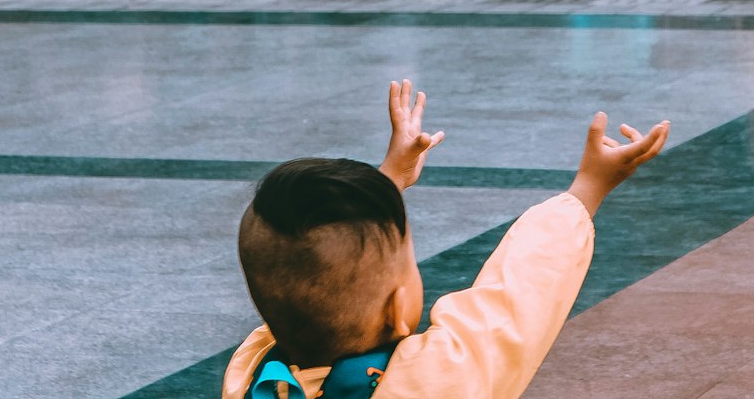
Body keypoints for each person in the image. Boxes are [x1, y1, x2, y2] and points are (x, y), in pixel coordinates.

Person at [222, 80, 670, 399]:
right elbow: (519, 295)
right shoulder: (438, 379)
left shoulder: (252, 374)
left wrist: (388, 183)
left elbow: (314, 276)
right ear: (399, 310)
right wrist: (588, 188)